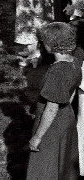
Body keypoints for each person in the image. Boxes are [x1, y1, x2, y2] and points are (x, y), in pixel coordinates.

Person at [26, 22, 81, 180]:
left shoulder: (56, 72)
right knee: (63, 162)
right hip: (68, 118)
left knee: (46, 166)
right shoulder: (75, 61)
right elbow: (71, 91)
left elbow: (51, 109)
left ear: (51, 45)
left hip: (52, 127)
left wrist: (37, 137)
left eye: (44, 41)